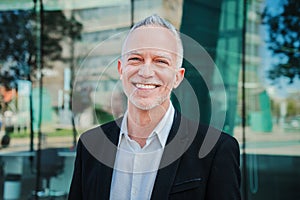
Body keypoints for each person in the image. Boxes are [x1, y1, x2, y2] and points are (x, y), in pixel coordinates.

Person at [68, 14, 241, 200]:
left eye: (161, 61)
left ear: (177, 77)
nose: (146, 72)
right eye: (135, 59)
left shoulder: (215, 150)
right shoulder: (90, 144)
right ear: (121, 69)